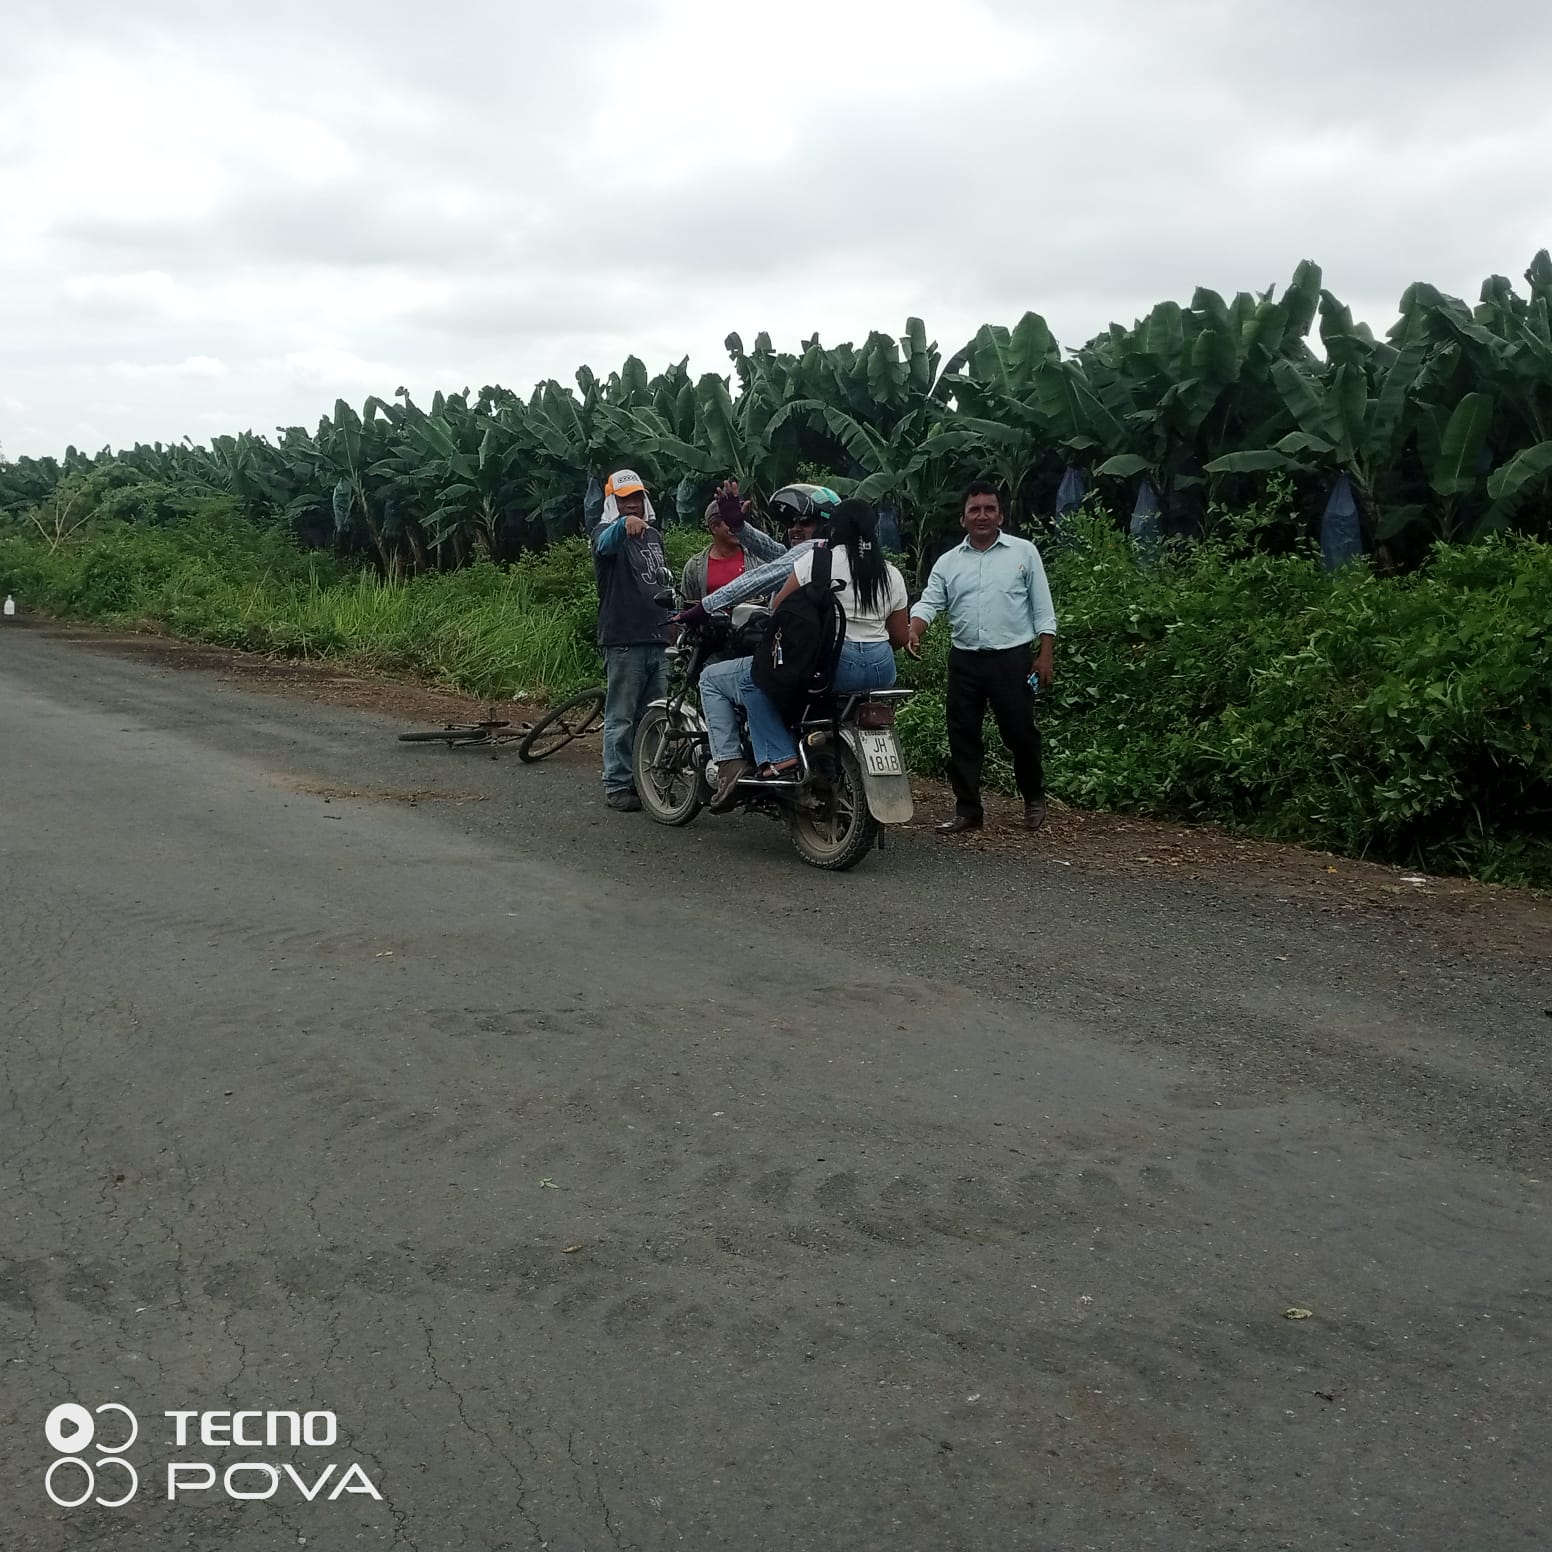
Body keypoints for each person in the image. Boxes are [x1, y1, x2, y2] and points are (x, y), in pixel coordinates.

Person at [675, 483, 841, 808]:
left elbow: (759, 577)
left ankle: (731, 764)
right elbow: (780, 555)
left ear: (824, 525)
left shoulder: (815, 552)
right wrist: (741, 527)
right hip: (848, 659)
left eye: (804, 522)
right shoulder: (856, 556)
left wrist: (704, 607)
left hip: (801, 657)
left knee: (717, 678)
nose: (795, 529)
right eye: (791, 523)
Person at [907, 480, 1057, 834]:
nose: (982, 515)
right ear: (963, 519)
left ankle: (1033, 799)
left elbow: (1043, 608)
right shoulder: (948, 562)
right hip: (965, 661)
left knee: (1020, 733)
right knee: (962, 735)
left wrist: (1045, 655)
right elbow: (930, 603)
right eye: (974, 510)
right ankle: (968, 810)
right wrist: (913, 629)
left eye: (990, 509)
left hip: (1012, 660)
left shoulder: (1024, 553)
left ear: (1001, 516)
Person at [739, 498, 909, 779]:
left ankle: (779, 756)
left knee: (754, 679)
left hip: (836, 668)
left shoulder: (816, 560)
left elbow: (779, 608)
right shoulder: (890, 573)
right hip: (882, 671)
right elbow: (900, 636)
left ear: (834, 528)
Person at [589, 468, 671, 812]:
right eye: (624, 500)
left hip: (658, 638)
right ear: (613, 503)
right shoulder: (604, 533)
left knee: (653, 717)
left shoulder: (654, 536)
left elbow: (661, 581)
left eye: (636, 498)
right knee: (621, 718)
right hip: (624, 640)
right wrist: (623, 524)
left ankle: (645, 780)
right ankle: (617, 783)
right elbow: (604, 545)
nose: (632, 505)